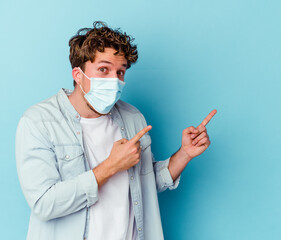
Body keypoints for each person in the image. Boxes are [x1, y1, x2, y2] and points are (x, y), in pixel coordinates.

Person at [16, 21, 216, 240]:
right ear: (78, 75)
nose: (114, 80)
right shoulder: (39, 121)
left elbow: (145, 184)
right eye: (104, 69)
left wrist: (185, 153)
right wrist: (111, 166)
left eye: (120, 72)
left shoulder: (133, 117)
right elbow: (44, 204)